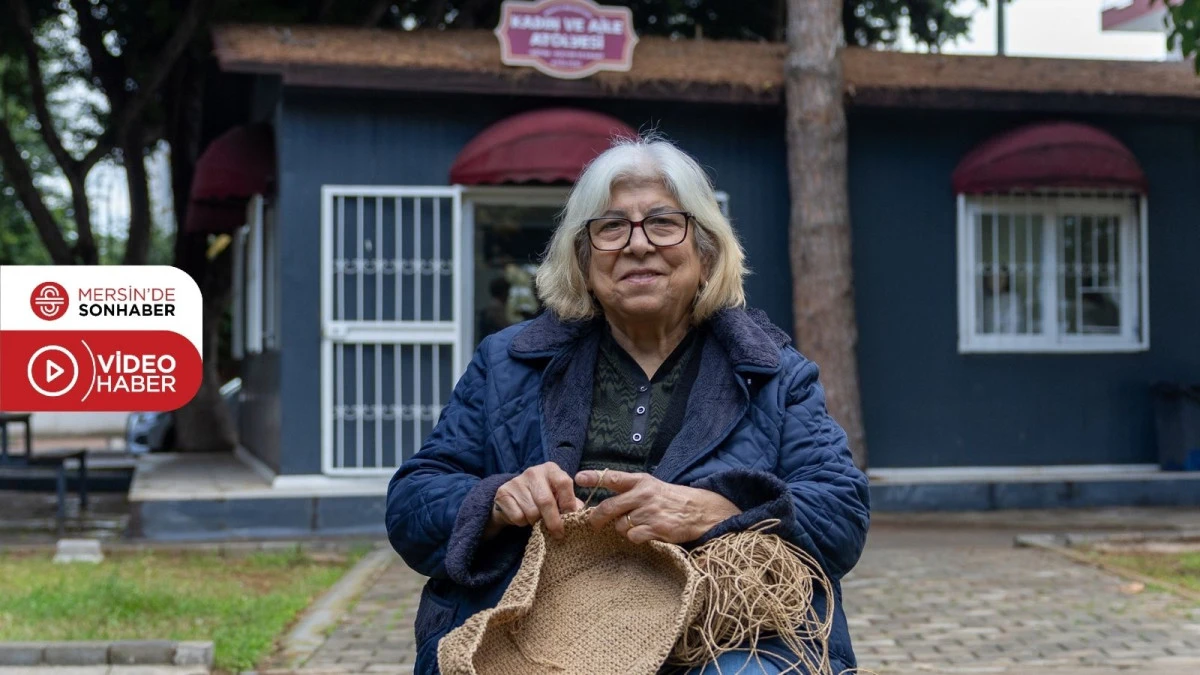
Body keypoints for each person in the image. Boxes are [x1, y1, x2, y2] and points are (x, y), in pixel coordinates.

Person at [385, 133, 871, 675]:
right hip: (540, 625)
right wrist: (496, 499)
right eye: (612, 227)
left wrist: (717, 511)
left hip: (718, 628)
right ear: (583, 257)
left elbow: (841, 514)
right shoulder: (507, 363)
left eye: (664, 223)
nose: (638, 244)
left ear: (705, 252)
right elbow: (412, 503)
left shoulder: (775, 372)